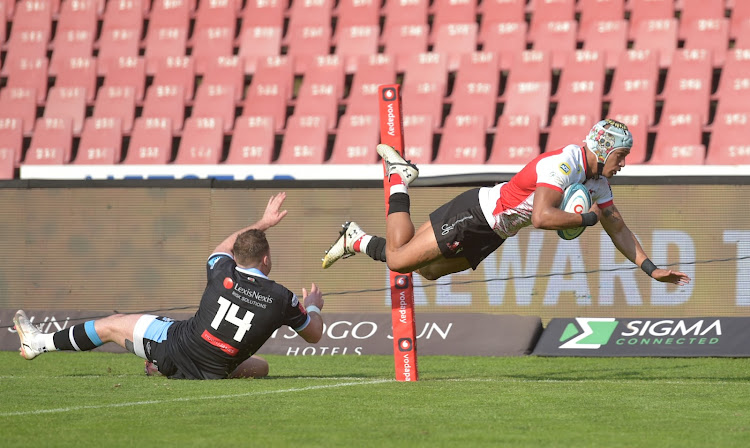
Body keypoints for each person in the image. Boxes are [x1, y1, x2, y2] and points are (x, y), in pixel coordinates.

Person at [322, 118, 691, 286]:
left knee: (429, 272)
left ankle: (358, 236)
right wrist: (587, 220)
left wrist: (650, 268)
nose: (623, 164)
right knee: (400, 260)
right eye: (621, 156)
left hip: (496, 232)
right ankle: (397, 180)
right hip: (475, 213)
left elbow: (618, 227)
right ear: (604, 149)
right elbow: (544, 218)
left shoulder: (596, 181)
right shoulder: (565, 163)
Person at [14, 192, 326, 380]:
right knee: (261, 368)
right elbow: (314, 336)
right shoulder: (281, 297)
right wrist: (313, 304)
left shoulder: (221, 270)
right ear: (267, 260)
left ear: (237, 256)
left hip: (175, 350)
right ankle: (168, 369)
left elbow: (224, 246)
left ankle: (38, 343)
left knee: (110, 327)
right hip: (215, 370)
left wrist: (264, 222)